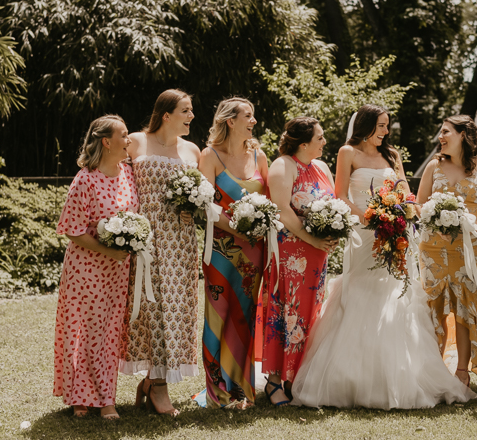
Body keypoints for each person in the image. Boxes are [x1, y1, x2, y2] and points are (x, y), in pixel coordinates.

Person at [291, 105, 476, 409]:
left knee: (396, 296)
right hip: (364, 235)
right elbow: (340, 195)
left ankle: (402, 374)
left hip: (394, 232)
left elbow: (404, 189)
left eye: (387, 125)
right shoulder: (347, 152)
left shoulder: (392, 156)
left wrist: (401, 213)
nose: (386, 131)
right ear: (366, 125)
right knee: (360, 293)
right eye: (381, 125)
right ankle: (350, 378)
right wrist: (368, 218)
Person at [120, 89, 201, 416]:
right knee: (152, 309)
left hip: (180, 242)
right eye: (185, 110)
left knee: (175, 309)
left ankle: (154, 381)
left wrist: (192, 208)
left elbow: (202, 194)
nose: (191, 116)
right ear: (166, 113)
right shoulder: (136, 141)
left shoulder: (194, 150)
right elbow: (116, 179)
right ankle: (158, 385)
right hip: (145, 239)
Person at [54, 115, 138, 420]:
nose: (129, 140)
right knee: (84, 329)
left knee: (109, 332)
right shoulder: (85, 179)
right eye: (124, 135)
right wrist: (107, 249)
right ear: (107, 141)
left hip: (117, 270)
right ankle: (81, 395)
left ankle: (106, 399)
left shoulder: (128, 174)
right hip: (86, 267)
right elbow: (72, 229)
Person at [417, 115, 477, 387]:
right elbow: (419, 205)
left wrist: (472, 227)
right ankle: (432, 367)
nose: (440, 137)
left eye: (445, 132)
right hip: (433, 248)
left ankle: (462, 371)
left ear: (463, 135)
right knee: (434, 306)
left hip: (470, 249)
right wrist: (432, 217)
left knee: (464, 306)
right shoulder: (433, 167)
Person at [261, 117, 339, 406]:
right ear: (303, 144)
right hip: (292, 252)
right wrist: (313, 239)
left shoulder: (322, 167)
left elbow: (334, 204)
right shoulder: (283, 165)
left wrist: (333, 231)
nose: (324, 142)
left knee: (312, 313)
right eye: (320, 138)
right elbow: (282, 210)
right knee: (287, 311)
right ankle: (273, 381)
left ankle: (298, 378)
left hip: (318, 254)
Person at [198, 97, 269, 409]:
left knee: (245, 318)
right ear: (230, 120)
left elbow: (269, 199)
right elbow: (205, 206)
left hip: (254, 251)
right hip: (220, 249)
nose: (253, 121)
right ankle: (218, 393)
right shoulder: (210, 155)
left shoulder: (259, 154)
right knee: (218, 317)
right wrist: (238, 228)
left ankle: (243, 390)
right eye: (248, 116)